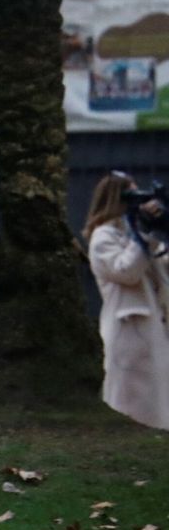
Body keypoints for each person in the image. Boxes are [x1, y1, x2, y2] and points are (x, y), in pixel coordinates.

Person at [85, 172, 169, 430]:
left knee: (157, 402)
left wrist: (159, 229)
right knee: (130, 404)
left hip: (153, 328)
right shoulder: (103, 237)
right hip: (128, 330)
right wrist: (145, 233)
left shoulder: (132, 232)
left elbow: (159, 269)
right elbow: (126, 271)